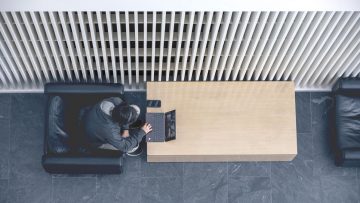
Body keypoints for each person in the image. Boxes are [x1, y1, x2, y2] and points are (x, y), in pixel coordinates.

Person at [82, 97, 152, 156]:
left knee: (136, 109)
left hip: (93, 119)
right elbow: (125, 146)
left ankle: (128, 124)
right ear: (119, 123)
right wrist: (142, 132)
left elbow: (124, 112)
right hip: (95, 141)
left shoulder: (116, 101)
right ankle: (129, 150)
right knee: (130, 147)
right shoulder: (110, 132)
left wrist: (126, 130)